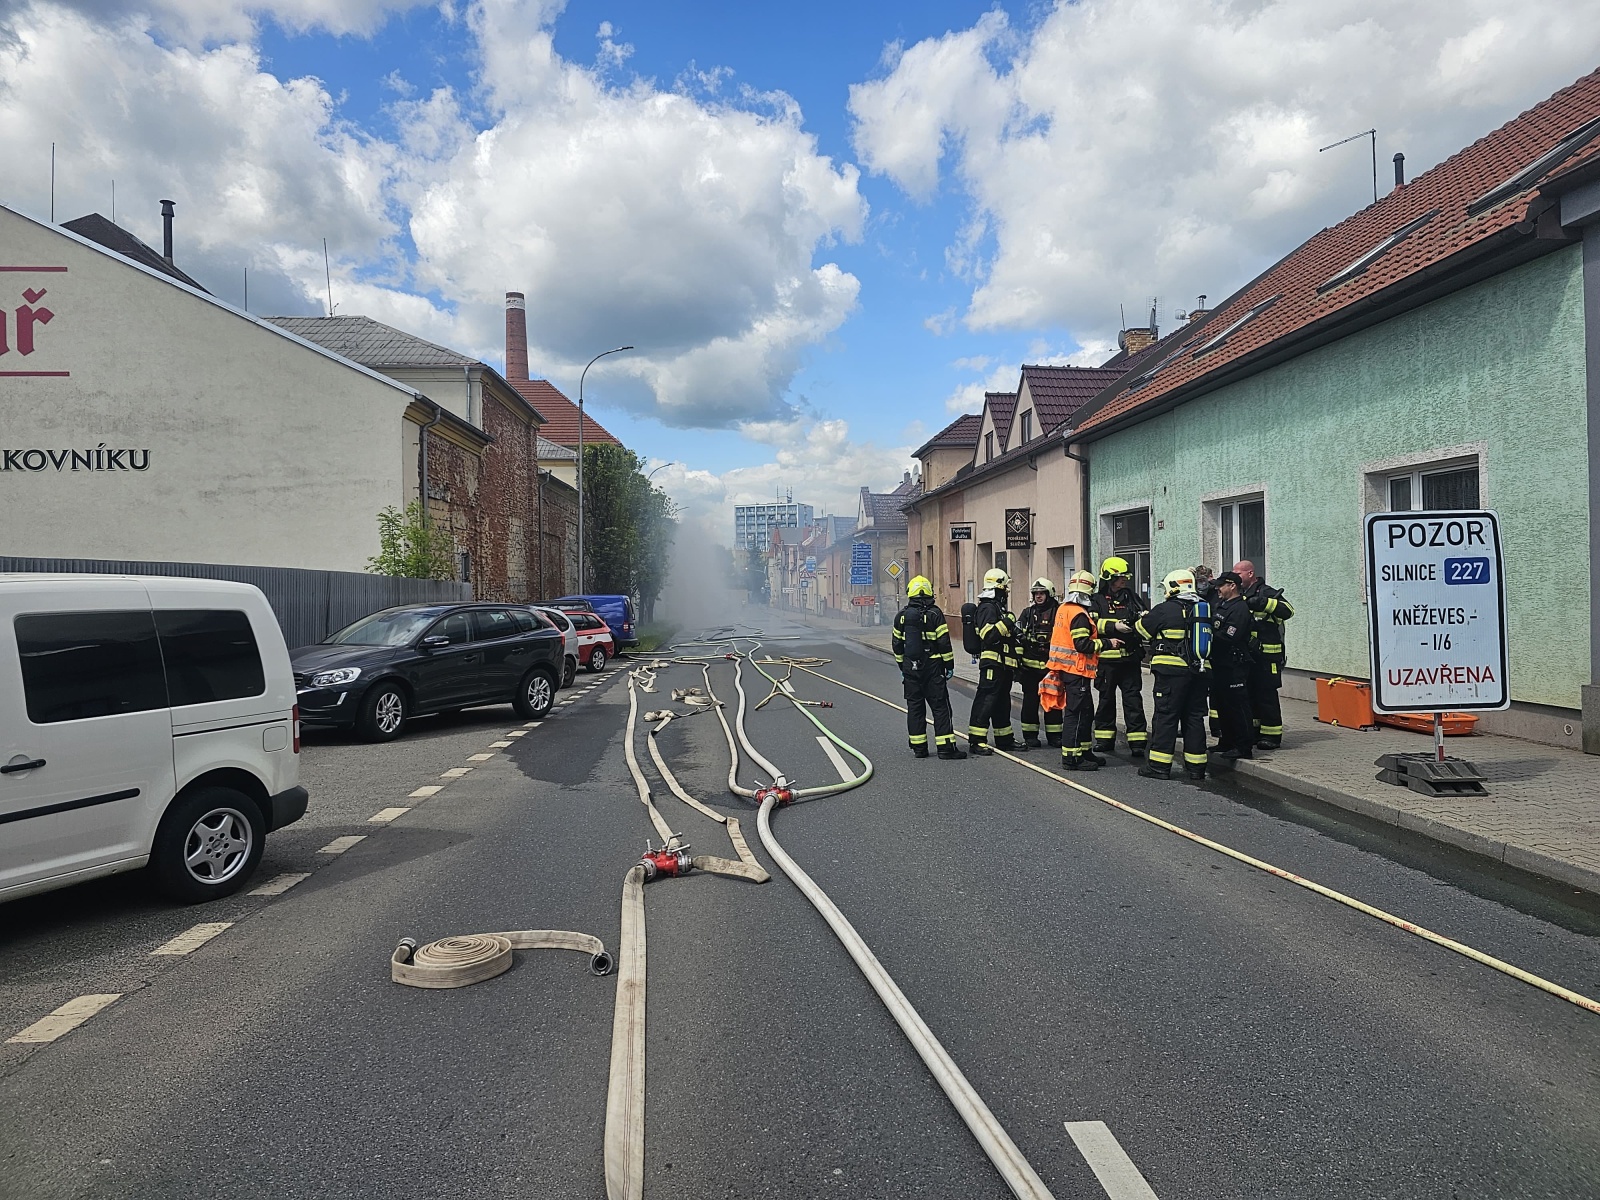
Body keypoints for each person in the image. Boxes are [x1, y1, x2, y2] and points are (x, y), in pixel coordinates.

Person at [1135, 569, 1211, 782]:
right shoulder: (1203, 608)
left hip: (1171, 674)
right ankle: (1196, 768)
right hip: (1200, 671)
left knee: (1166, 717)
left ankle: (1159, 766)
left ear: (1172, 587)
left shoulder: (1164, 609)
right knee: (1194, 717)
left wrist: (1142, 618)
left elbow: (1141, 631)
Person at [1042, 570, 1118, 770]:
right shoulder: (1079, 615)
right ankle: (1071, 758)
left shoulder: (1064, 609)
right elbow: (1083, 645)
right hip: (1076, 670)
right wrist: (1108, 643)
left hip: (1068, 669)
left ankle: (1084, 751)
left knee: (1085, 711)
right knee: (1075, 714)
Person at [892, 575, 966, 760]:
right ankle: (946, 748)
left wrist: (903, 666)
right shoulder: (935, 614)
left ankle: (919, 748)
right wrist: (949, 665)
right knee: (940, 707)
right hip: (933, 668)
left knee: (915, 708)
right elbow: (944, 643)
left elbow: (897, 645)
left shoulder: (901, 616)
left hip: (911, 669)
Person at [1235, 559, 1296, 750]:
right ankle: (1255, 732)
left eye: (1238, 573)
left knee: (1266, 695)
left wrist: (1264, 603)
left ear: (1250, 573)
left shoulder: (1267, 592)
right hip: (1249, 656)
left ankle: (1272, 736)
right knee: (1250, 694)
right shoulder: (1241, 594)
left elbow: (1288, 611)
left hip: (1268, 656)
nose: (1236, 577)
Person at [1092, 557, 1149, 757]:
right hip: (1107, 661)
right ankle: (1104, 740)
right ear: (1109, 578)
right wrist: (1113, 626)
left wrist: (1140, 621)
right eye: (1119, 577)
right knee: (1106, 700)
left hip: (1130, 659)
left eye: (1125, 577)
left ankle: (1138, 742)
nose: (1124, 580)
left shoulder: (1131, 597)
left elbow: (1144, 616)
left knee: (1133, 701)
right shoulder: (1097, 600)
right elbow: (1091, 625)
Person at [966, 567, 1019, 755]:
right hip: (992, 664)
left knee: (1002, 702)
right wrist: (1008, 621)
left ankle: (1005, 739)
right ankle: (976, 741)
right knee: (986, 700)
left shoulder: (997, 607)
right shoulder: (987, 607)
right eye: (1005, 589)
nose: (1007, 592)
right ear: (999, 589)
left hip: (1002, 665)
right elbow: (988, 635)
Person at [1208, 571, 1255, 764]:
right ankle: (1226, 742)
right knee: (1223, 705)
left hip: (1234, 664)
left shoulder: (1240, 608)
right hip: (1220, 664)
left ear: (1232, 586)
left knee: (1238, 706)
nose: (1218, 589)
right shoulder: (1223, 605)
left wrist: (1209, 634)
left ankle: (1243, 747)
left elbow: (1230, 636)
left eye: (1221, 586)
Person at [1014, 578, 1062, 750]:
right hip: (1030, 668)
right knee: (1030, 702)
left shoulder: (1058, 613)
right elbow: (1017, 638)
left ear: (1049, 594)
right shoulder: (1027, 613)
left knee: (1053, 701)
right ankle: (1030, 736)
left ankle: (1055, 736)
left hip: (1052, 667)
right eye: (1036, 594)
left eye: (1042, 593)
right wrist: (1018, 665)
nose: (1038, 596)